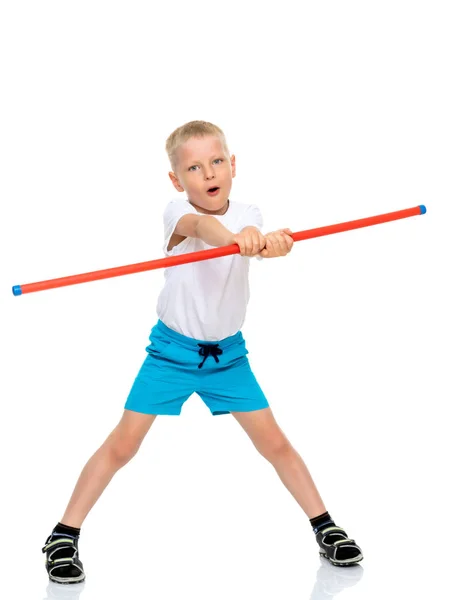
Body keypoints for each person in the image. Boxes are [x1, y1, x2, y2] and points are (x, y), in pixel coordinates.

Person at [41, 120, 363, 584]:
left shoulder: (248, 211)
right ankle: (62, 535)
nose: (207, 172)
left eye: (216, 162)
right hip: (170, 355)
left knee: (275, 444)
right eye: (193, 167)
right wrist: (236, 240)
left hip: (228, 357)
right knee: (124, 445)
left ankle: (326, 527)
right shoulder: (177, 213)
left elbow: (252, 237)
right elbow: (204, 227)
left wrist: (272, 245)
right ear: (177, 179)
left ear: (232, 165)